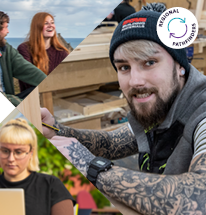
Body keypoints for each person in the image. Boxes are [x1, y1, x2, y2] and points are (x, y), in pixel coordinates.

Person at [41, 3, 206, 214]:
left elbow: (200, 199)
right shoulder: (161, 104)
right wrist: (56, 130)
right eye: (124, 67)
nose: (135, 81)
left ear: (179, 64)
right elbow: (112, 144)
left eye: (149, 62)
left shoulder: (201, 112)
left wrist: (94, 169)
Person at [0, 118, 75, 215]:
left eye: (18, 152)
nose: (11, 159)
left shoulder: (51, 186)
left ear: (31, 153)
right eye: (5, 151)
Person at [17, 12, 69, 92]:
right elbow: (29, 81)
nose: (51, 25)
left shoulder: (62, 53)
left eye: (52, 22)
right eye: (46, 23)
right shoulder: (24, 49)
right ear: (37, 27)